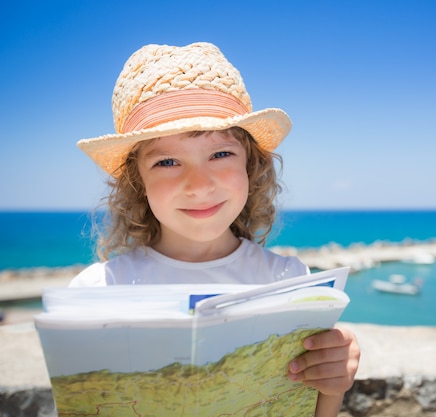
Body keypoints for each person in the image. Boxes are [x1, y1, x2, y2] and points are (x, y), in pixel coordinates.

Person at [70, 42, 360, 416]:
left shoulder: (289, 282)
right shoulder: (96, 292)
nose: (199, 184)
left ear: (250, 166)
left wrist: (333, 387)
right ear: (137, 180)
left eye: (220, 154)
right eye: (168, 161)